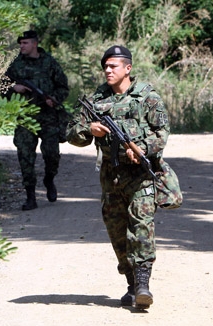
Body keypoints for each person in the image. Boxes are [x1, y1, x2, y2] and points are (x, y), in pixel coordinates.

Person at [66, 45, 170, 309]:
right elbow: (71, 133)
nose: (108, 70)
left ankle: (144, 285)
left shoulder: (147, 97)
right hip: (111, 178)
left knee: (142, 226)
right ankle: (132, 283)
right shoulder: (95, 100)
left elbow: (162, 133)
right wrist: (89, 129)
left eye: (113, 66)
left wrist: (142, 149)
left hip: (141, 176)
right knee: (116, 231)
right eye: (106, 66)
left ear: (128, 68)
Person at [4, 30, 70, 211]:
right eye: (21, 43)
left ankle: (49, 179)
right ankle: (30, 196)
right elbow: (2, 87)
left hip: (48, 116)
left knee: (51, 155)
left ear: (34, 44)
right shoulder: (16, 65)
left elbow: (63, 87)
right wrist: (14, 88)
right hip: (26, 117)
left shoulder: (49, 63)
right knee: (25, 156)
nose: (22, 46)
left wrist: (54, 99)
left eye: (25, 43)